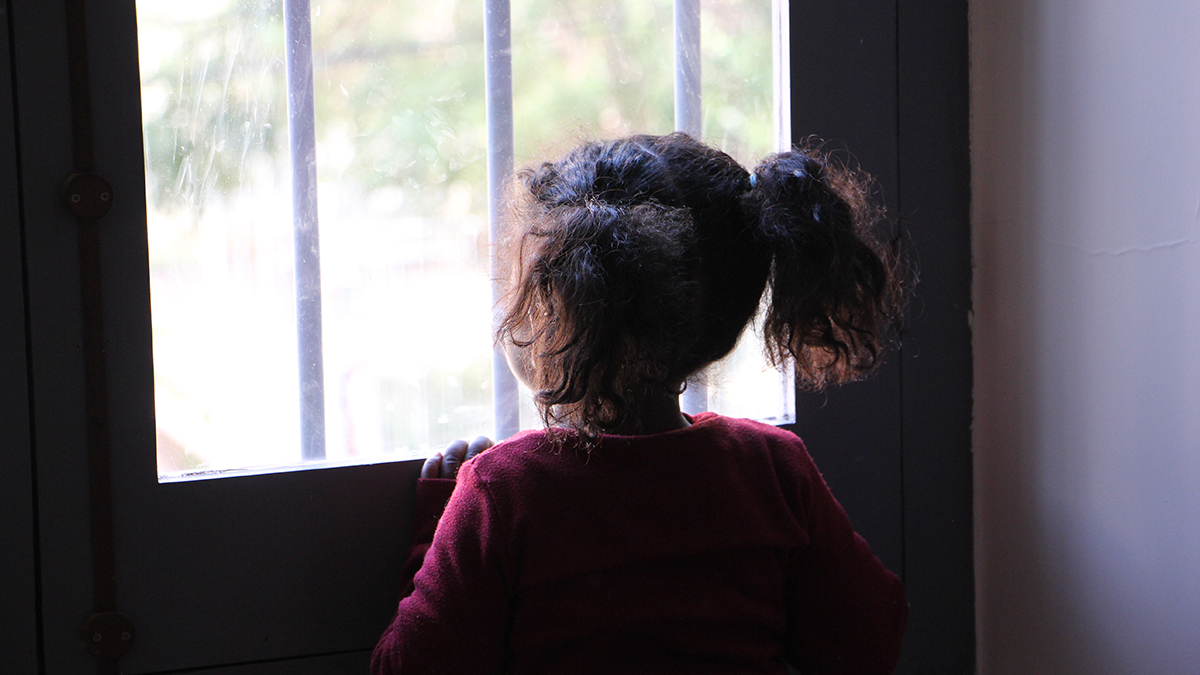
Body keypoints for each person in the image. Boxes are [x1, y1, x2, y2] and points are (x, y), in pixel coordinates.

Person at [372, 133, 908, 674]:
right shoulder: (769, 468)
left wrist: (433, 536)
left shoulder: (503, 491)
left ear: (558, 309)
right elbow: (868, 638)